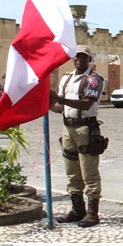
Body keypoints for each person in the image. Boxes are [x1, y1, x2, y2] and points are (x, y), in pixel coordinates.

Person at [49, 45, 105, 228]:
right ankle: (77, 209)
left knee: (89, 172)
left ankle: (92, 213)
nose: (80, 60)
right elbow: (62, 108)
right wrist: (48, 105)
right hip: (68, 128)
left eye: (84, 57)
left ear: (89, 60)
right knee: (72, 171)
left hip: (85, 129)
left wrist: (60, 100)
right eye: (77, 57)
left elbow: (87, 104)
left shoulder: (94, 79)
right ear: (73, 59)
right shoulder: (66, 79)